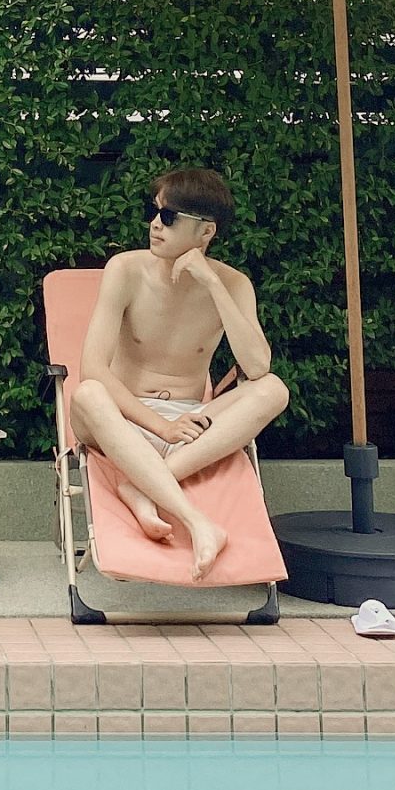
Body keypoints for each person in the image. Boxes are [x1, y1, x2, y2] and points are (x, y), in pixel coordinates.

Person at [68, 165, 289, 579]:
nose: (155, 225)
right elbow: (92, 369)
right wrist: (161, 427)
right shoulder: (125, 270)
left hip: (190, 422)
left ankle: (143, 485)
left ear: (206, 232)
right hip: (124, 421)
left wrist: (212, 283)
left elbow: (258, 366)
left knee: (274, 389)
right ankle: (197, 521)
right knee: (87, 394)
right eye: (153, 212)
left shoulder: (234, 284)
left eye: (169, 217)